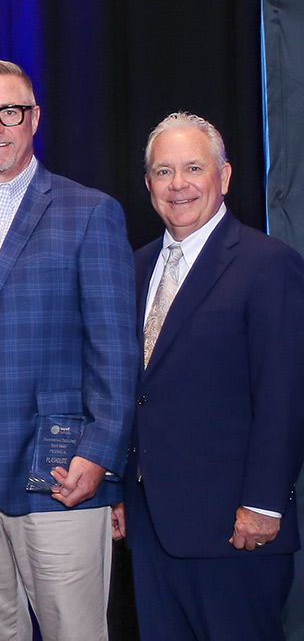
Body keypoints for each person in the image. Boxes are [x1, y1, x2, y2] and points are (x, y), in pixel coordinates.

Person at [0, 59, 138, 641]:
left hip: (60, 469)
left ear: (34, 118)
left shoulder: (89, 212)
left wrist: (101, 453)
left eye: (9, 111)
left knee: (75, 632)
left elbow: (115, 348)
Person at [114, 111, 304, 640]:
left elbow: (284, 397)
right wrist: (120, 495)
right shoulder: (136, 267)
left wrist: (264, 503)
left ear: (224, 176)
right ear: (148, 184)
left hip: (236, 529)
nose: (178, 185)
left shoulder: (269, 266)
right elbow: (136, 394)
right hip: (151, 529)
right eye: (163, 171)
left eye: (193, 168)